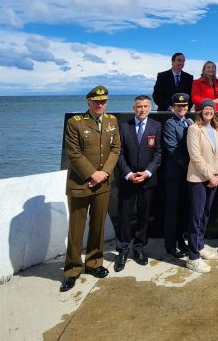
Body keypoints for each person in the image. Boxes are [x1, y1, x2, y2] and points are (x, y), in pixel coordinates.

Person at [60, 85, 121, 292]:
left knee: (98, 225)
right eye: (96, 102)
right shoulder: (75, 123)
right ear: (88, 103)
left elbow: (115, 148)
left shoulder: (112, 121)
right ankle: (72, 269)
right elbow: (74, 153)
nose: (100, 105)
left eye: (103, 101)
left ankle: (94, 262)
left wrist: (103, 173)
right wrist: (92, 174)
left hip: (103, 182)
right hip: (80, 183)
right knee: (76, 229)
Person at [114, 95, 161, 271]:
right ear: (133, 108)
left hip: (147, 180)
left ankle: (139, 247)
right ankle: (123, 249)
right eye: (139, 106)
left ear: (151, 108)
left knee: (144, 215)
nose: (142, 109)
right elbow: (118, 153)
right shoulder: (124, 127)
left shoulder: (156, 126)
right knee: (125, 215)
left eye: (146, 106)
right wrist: (128, 174)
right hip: (128, 180)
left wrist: (147, 172)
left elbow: (158, 153)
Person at [185, 99, 218, 273]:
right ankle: (192, 257)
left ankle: (200, 246)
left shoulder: (216, 128)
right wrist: (211, 175)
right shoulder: (194, 129)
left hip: (213, 178)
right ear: (200, 111)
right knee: (196, 217)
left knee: (206, 214)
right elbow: (195, 156)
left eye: (211, 109)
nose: (208, 111)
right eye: (205, 109)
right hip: (198, 179)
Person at [162, 93, 192, 258]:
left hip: (187, 175)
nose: (182, 108)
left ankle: (181, 240)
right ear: (173, 107)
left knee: (183, 210)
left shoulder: (189, 122)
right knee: (173, 210)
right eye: (178, 106)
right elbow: (172, 148)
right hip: (175, 174)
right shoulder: (170, 124)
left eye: (185, 106)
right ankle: (171, 245)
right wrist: (190, 165)